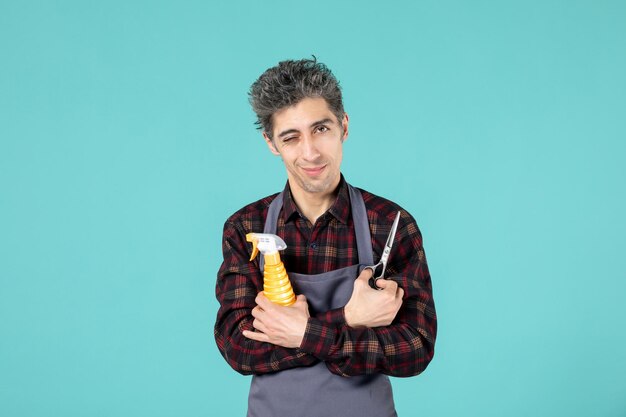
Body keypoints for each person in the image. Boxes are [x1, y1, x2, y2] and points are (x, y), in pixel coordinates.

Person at [214, 58, 436, 417]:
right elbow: (238, 347)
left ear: (343, 126)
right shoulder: (247, 228)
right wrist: (349, 318)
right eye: (291, 137)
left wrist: (300, 332)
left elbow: (416, 348)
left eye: (321, 129)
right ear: (271, 142)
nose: (310, 152)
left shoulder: (390, 224)